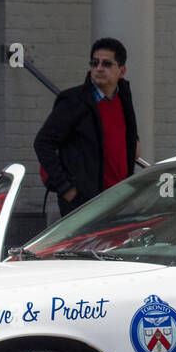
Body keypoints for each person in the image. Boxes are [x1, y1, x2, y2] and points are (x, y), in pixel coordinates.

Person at [34, 37, 139, 217]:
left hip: (119, 200)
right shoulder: (73, 102)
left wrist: (133, 143)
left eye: (106, 64)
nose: (99, 68)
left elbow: (126, 133)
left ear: (121, 71)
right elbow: (43, 143)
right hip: (83, 203)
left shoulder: (123, 99)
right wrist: (66, 188)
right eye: (94, 63)